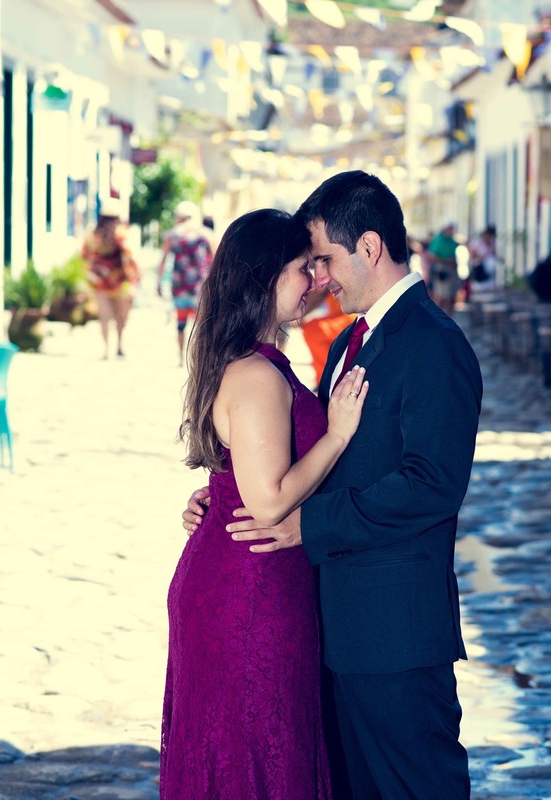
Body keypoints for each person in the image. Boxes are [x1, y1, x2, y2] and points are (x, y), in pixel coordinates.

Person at [182, 171, 483, 800]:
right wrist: (227, 493)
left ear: (369, 248)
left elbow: (431, 484)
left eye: (325, 258)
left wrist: (309, 525)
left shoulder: (434, 344)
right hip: (330, 624)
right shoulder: (349, 339)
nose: (320, 277)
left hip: (394, 631)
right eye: (309, 264)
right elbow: (300, 451)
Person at [162, 208, 371, 799]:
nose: (317, 281)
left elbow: (244, 474)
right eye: (304, 269)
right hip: (249, 591)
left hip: (249, 575)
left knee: (257, 746)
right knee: (256, 748)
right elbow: (270, 498)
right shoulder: (255, 374)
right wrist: (337, 433)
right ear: (265, 276)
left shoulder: (254, 361)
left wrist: (213, 497)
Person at [80, 198, 140, 360]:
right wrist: (135, 276)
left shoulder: (92, 234)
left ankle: (107, 349)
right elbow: (130, 257)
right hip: (120, 281)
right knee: (120, 315)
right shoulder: (121, 233)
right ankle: (119, 345)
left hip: (99, 281)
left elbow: (84, 256)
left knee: (104, 316)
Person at [157, 200, 214, 365]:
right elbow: (217, 257)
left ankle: (181, 357)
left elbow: (163, 261)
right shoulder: (205, 233)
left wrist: (159, 283)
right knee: (202, 325)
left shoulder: (172, 235)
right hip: (201, 288)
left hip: (179, 286)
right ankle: (201, 358)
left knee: (180, 323)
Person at [298, 287, 355, 390]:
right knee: (313, 329)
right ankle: (328, 376)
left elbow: (317, 295)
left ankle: (328, 377)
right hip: (342, 318)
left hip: (352, 317)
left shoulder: (330, 276)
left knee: (313, 330)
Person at [426, 221, 460, 315]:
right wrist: (445, 261)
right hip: (441, 270)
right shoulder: (438, 240)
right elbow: (431, 256)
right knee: (440, 296)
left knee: (451, 296)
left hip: (451, 270)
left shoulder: (452, 240)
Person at [466, 225, 497, 298]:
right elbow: (472, 253)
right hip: (479, 268)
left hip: (487, 272)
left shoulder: (492, 244)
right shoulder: (477, 243)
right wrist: (481, 257)